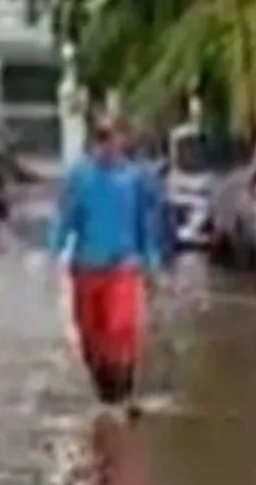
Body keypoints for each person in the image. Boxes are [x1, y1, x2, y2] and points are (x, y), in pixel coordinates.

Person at [49, 123, 170, 408]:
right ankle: (103, 389)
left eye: (113, 139)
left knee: (121, 328)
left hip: (123, 267)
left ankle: (123, 390)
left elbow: (145, 222)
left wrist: (152, 261)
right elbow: (66, 218)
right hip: (87, 266)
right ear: (96, 144)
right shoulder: (80, 178)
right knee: (90, 333)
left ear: (122, 141)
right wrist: (55, 251)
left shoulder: (134, 179)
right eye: (103, 140)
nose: (109, 147)